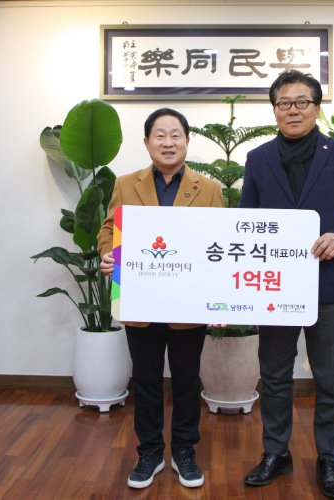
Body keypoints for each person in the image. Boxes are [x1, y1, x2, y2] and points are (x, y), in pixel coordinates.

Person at [239, 71, 334, 498]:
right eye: (284, 103)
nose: (292, 110)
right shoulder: (258, 158)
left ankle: (329, 459)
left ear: (316, 107)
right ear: (274, 110)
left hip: (326, 285)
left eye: (301, 102)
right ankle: (276, 453)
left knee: (330, 376)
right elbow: (246, 220)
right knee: (275, 374)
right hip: (274, 287)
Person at [97, 108, 224, 490]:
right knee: (146, 380)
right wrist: (108, 253)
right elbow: (109, 229)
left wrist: (219, 299)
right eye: (160, 135)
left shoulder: (209, 188)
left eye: (175, 135)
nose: (168, 143)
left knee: (187, 380)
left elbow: (220, 245)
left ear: (187, 140)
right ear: (147, 142)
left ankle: (185, 451)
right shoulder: (125, 184)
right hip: (140, 300)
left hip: (188, 303)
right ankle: (149, 452)